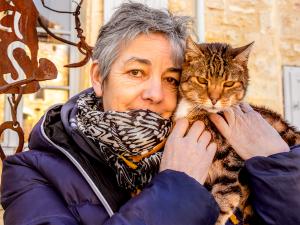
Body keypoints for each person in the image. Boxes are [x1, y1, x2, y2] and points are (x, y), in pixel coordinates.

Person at [1, 2, 300, 225]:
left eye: (171, 78)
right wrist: (177, 184)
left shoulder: (223, 142)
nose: (154, 94)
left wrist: (280, 165)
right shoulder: (29, 174)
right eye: (135, 72)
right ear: (98, 77)